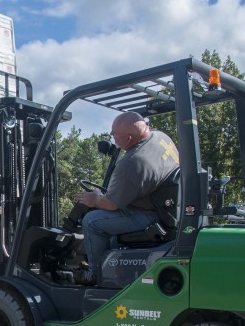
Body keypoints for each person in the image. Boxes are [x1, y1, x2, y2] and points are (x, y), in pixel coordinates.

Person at [72, 111, 179, 285]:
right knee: (110, 225)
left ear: (129, 138)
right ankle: (117, 267)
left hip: (149, 214)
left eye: (115, 134)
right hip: (165, 207)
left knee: (91, 221)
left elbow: (111, 204)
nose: (112, 136)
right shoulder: (161, 137)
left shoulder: (133, 162)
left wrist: (94, 199)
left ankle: (96, 274)